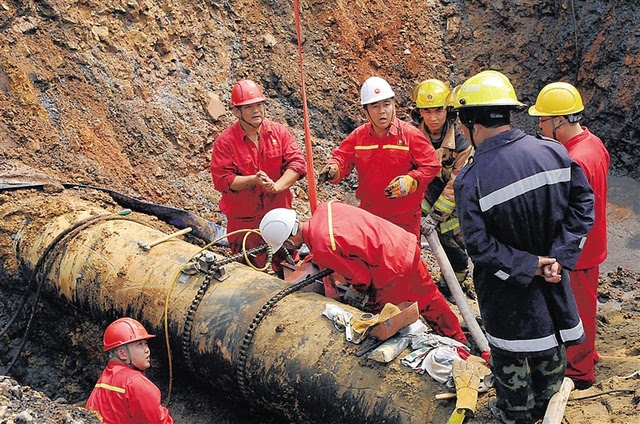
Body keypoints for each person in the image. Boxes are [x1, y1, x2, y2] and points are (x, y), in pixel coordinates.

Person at [452, 70, 594, 423]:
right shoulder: (553, 152)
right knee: (550, 388)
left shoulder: (472, 179)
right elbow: (583, 206)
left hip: (509, 306)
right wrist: (558, 257)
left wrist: (530, 264)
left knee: (514, 403)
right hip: (553, 291)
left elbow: (481, 248)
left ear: (471, 122)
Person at [259, 201, 467, 344]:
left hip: (390, 267)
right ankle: (458, 340)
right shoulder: (326, 208)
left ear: (288, 241)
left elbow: (362, 278)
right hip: (402, 244)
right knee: (428, 296)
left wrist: (355, 294)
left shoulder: (323, 247)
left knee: (380, 319)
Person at [529, 82, 610, 390]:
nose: (539, 125)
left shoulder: (574, 160)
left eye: (543, 119)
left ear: (560, 121)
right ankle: (588, 353)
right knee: (585, 306)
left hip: (578, 251)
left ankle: (579, 372)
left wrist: (557, 253)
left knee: (575, 310)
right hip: (591, 244)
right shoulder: (594, 144)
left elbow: (567, 212)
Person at [318, 76, 441, 239]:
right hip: (370, 216)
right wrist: (334, 168)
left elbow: (431, 165)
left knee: (403, 262)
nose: (382, 111)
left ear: (393, 106)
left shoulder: (410, 136)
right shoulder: (358, 137)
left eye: (386, 105)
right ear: (366, 111)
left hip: (404, 220)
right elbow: (342, 158)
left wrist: (412, 180)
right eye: (375, 106)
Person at [210, 79, 307, 272]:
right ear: (236, 112)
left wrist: (278, 186)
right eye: (249, 107)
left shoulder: (278, 133)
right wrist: (253, 180)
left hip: (279, 217)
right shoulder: (225, 143)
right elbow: (223, 180)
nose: (256, 111)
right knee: (247, 270)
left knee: (287, 267)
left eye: (259, 105)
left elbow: (297, 164)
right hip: (245, 222)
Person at [411, 79, 474, 289]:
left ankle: (453, 283)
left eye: (438, 110)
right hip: (420, 199)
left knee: (454, 243)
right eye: (427, 112)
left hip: (450, 206)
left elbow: (455, 186)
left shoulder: (462, 145)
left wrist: (435, 217)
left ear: (448, 110)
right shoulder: (410, 136)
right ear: (419, 112)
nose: (433, 117)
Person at [86, 317, 173, 424]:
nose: (147, 350)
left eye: (146, 344)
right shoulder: (135, 383)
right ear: (122, 354)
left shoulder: (104, 380)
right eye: (139, 344)